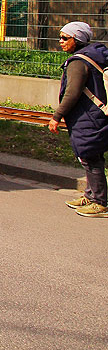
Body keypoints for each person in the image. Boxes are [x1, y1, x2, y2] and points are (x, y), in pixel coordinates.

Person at [48, 21, 108, 217]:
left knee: (90, 157)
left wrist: (57, 116)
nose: (61, 41)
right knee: (92, 155)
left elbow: (72, 93)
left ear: (77, 39)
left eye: (65, 38)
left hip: (88, 116)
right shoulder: (95, 54)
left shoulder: (78, 62)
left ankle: (99, 202)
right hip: (96, 114)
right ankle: (90, 196)